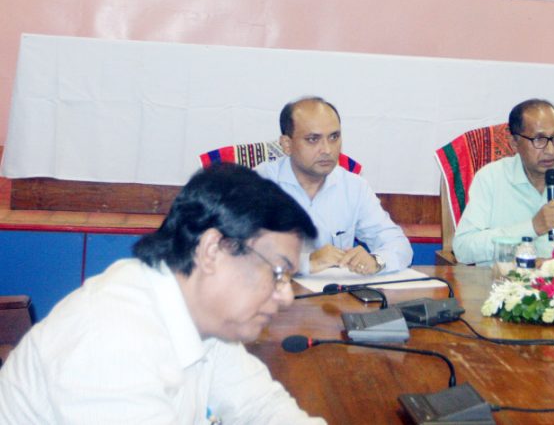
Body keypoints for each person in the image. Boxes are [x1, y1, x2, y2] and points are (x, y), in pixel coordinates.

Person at [0, 163, 325, 424]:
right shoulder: (111, 339)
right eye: (277, 272)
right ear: (213, 249)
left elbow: (260, 407)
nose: (285, 297)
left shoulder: (207, 318)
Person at [257, 96, 412, 275]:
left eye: (334, 137)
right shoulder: (259, 184)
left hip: (334, 299)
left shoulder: (354, 187)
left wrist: (376, 260)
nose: (327, 150)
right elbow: (239, 254)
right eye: (313, 139)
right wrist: (307, 262)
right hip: (272, 296)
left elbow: (399, 245)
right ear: (287, 144)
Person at [453, 98, 554, 265]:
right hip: (501, 286)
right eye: (539, 139)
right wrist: (532, 227)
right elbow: (463, 249)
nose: (550, 150)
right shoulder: (491, 178)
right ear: (514, 142)